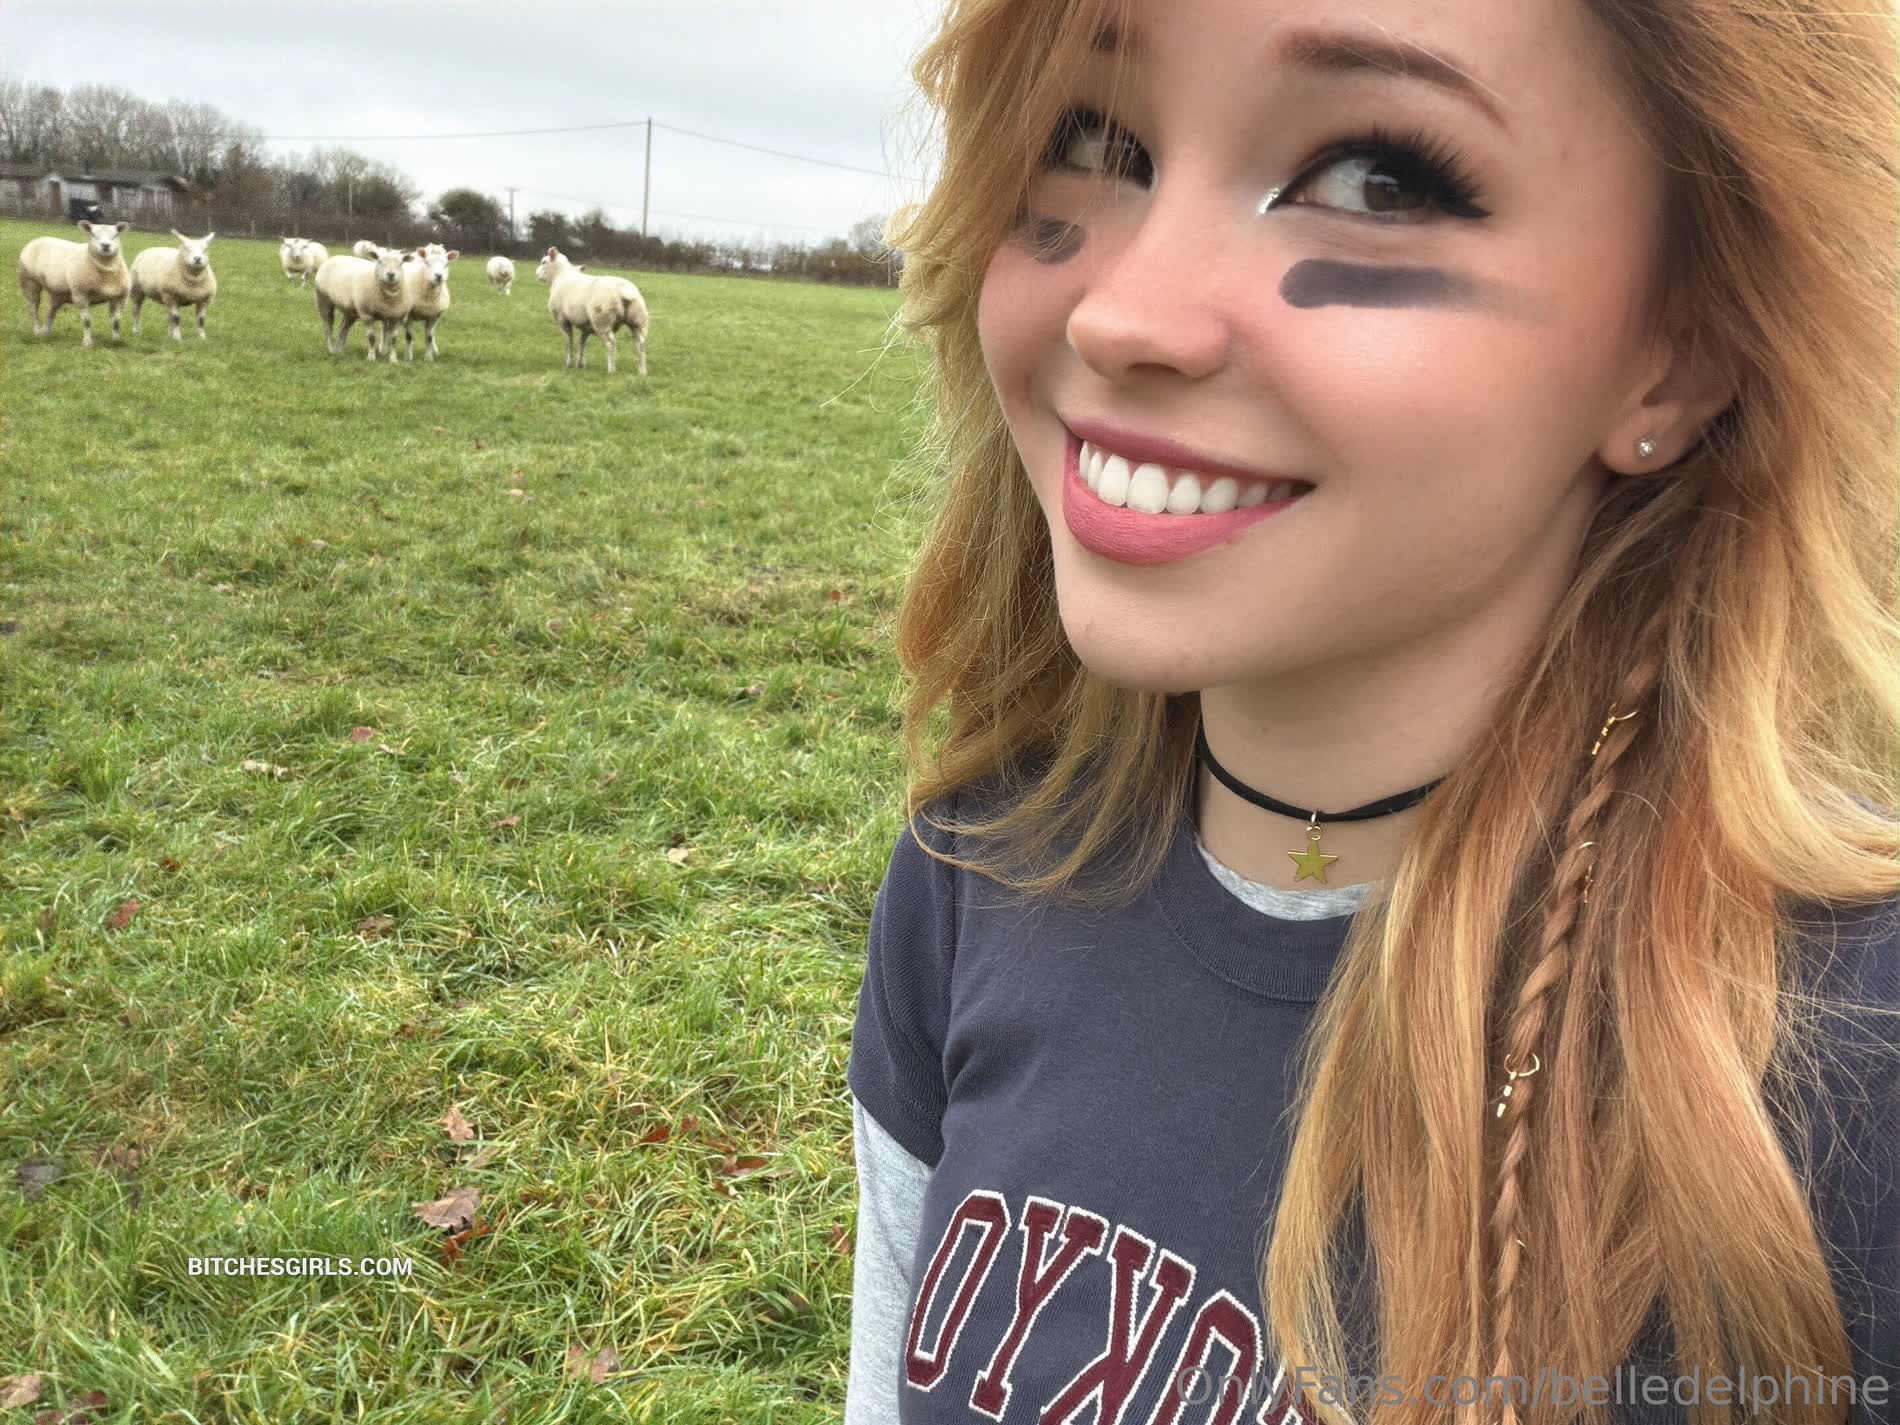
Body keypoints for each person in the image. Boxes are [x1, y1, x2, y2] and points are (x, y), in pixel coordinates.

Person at [844, 0, 1900, 1421]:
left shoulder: (1858, 1059)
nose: (1122, 313)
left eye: (1375, 179)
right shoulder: (981, 866)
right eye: (1092, 140)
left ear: (1681, 349)